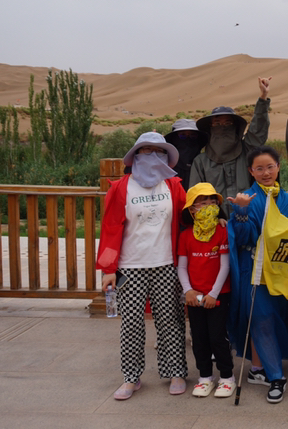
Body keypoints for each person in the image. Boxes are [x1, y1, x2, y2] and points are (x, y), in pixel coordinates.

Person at [97, 132, 188, 400]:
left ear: (166, 157)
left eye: (158, 151)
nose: (152, 156)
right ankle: (131, 377)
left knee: (170, 320)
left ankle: (176, 372)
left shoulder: (173, 185)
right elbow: (110, 228)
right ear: (135, 155)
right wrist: (108, 269)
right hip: (130, 267)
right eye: (146, 151)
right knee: (132, 323)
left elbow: (187, 219)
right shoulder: (121, 187)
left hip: (166, 264)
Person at [226, 146, 288, 404]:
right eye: (259, 168)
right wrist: (241, 212)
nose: (266, 172)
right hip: (254, 268)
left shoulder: (285, 198)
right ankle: (277, 376)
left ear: (279, 167)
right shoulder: (246, 197)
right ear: (251, 171)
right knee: (261, 318)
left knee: (275, 316)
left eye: (270, 167)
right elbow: (244, 238)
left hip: (278, 268)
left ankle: (259, 368)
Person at [176, 183, 235, 398]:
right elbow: (182, 267)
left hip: (218, 296)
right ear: (192, 209)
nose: (209, 205)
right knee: (199, 338)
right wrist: (188, 291)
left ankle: (227, 377)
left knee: (218, 337)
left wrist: (213, 294)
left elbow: (225, 266)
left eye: (213, 201)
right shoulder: (185, 236)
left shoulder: (222, 230)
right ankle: (204, 377)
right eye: (203, 202)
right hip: (194, 297)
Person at [190, 77, 272, 215]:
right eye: (217, 124)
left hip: (249, 218)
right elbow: (196, 198)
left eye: (228, 123)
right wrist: (214, 220)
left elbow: (258, 130)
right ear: (210, 129)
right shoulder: (201, 162)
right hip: (216, 223)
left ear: (235, 127)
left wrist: (263, 98)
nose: (222, 127)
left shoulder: (247, 152)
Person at [164, 118, 207, 191]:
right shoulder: (166, 166)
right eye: (182, 135)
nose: (188, 139)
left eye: (193, 135)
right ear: (174, 138)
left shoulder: (204, 164)